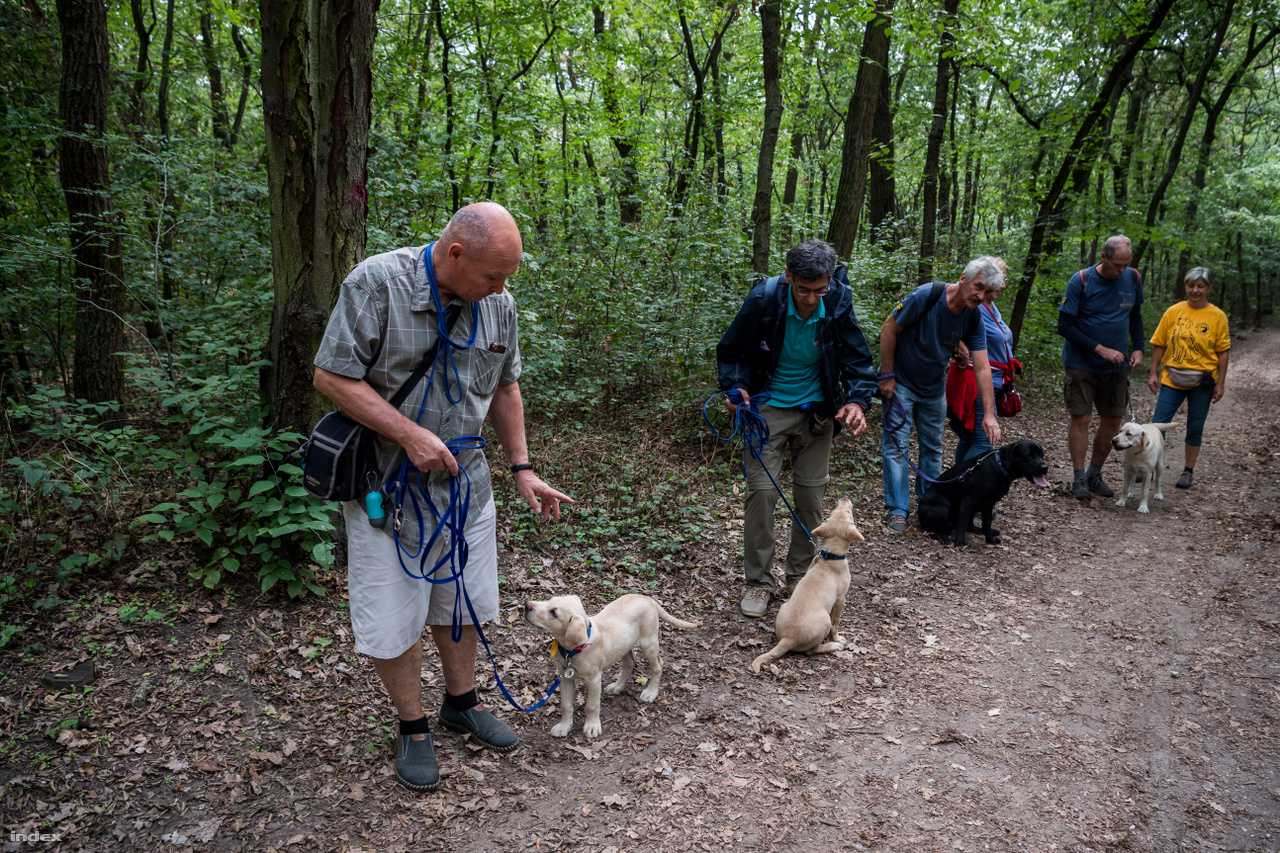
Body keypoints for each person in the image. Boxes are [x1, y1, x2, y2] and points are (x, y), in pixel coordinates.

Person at [312, 202, 572, 793]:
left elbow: (506, 386)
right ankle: (413, 726)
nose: (501, 290)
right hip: (387, 487)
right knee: (394, 612)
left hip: (466, 488)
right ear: (456, 253)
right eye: (492, 276)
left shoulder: (497, 305)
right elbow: (331, 375)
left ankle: (462, 702)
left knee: (461, 601)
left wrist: (523, 468)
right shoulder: (378, 284)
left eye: (508, 278)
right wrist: (407, 434)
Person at [716, 239, 878, 618]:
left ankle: (799, 577)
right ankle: (758, 582)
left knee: (810, 497)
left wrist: (856, 401)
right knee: (761, 492)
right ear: (788, 277)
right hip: (767, 409)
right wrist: (735, 386)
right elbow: (732, 351)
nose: (810, 299)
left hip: (819, 412)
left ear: (829, 281)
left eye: (818, 290)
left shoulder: (837, 299)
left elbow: (857, 358)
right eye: (803, 290)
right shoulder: (765, 299)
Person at [879, 257, 1002, 533]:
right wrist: (887, 375)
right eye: (977, 286)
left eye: (986, 291)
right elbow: (889, 328)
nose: (980, 295)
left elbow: (983, 368)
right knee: (897, 446)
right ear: (963, 278)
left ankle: (930, 504)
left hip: (935, 387)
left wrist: (990, 415)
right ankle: (898, 511)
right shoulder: (927, 296)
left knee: (933, 448)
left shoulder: (973, 315)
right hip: (901, 382)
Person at [1057, 234, 1144, 499]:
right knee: (1081, 418)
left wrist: (1138, 347)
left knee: (1113, 421)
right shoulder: (1081, 281)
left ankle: (1095, 473)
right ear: (1104, 257)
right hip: (1081, 365)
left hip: (1116, 368)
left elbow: (1135, 316)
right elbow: (1065, 326)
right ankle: (1079, 478)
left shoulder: (1133, 277)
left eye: (1125, 264)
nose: (1121, 270)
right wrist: (1100, 349)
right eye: (1117, 264)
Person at [1147, 266, 1230, 489]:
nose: (1195, 290)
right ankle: (1150, 467)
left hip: (1203, 381)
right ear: (1185, 286)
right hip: (1172, 377)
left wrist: (1220, 383)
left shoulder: (1217, 316)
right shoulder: (1173, 312)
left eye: (1200, 286)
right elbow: (1159, 344)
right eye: (1191, 285)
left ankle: (1187, 472)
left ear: (1209, 288)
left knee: (1195, 426)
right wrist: (1153, 373)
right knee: (1158, 426)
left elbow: (1223, 351)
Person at [949, 258, 1017, 463]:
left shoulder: (990, 306)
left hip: (992, 381)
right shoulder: (973, 306)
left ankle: (955, 487)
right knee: (984, 441)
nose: (1003, 285)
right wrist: (957, 344)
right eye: (1000, 279)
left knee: (970, 439)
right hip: (973, 381)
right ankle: (964, 488)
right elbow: (947, 326)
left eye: (1004, 280)